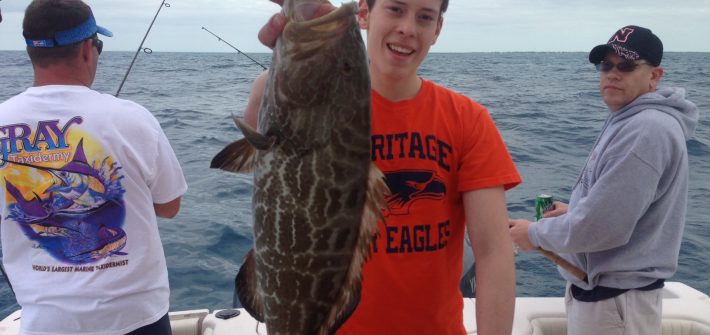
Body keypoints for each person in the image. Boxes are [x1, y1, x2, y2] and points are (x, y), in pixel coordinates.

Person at [245, 0, 521, 334]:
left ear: (437, 30)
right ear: (363, 14)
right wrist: (287, 66)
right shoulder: (293, 101)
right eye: (395, 8)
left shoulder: (468, 121)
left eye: (424, 17)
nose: (407, 28)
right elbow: (263, 167)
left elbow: (493, 252)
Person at [0, 1, 187, 334]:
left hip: (47, 323)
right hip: (138, 317)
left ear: (30, 50)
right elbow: (170, 206)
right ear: (88, 49)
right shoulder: (133, 118)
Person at [509, 25, 698, 335]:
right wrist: (576, 212)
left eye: (625, 66)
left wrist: (535, 234)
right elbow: (620, 211)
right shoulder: (630, 118)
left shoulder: (645, 129)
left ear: (654, 76)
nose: (612, 73)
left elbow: (601, 228)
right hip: (607, 296)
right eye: (605, 65)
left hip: (615, 303)